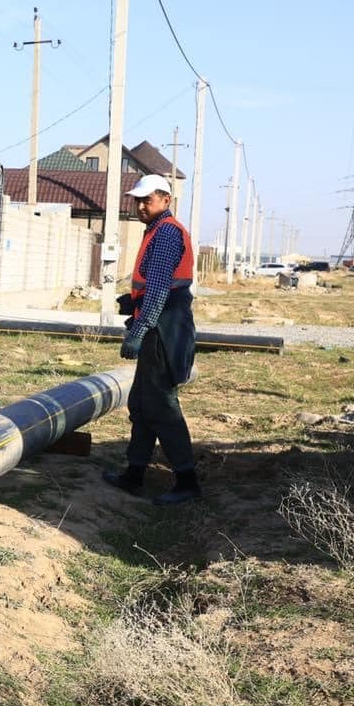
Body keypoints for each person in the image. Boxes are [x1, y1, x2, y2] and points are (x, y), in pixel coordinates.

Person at [103, 174, 201, 505]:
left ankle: (187, 481)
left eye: (148, 199)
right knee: (142, 405)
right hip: (161, 323)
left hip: (163, 331)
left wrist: (140, 328)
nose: (142, 205)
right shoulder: (156, 231)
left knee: (161, 406)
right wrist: (133, 300)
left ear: (165, 201)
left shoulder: (166, 234)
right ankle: (134, 474)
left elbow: (160, 287)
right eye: (138, 200)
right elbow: (162, 283)